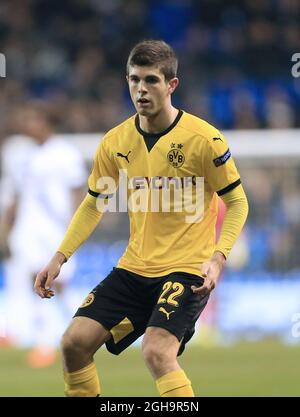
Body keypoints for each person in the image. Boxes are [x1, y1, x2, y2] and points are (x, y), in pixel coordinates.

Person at [34, 40, 248, 396]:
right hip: (134, 269)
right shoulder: (115, 141)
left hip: (187, 268)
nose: (141, 89)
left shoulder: (203, 139)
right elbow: (93, 203)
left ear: (171, 85)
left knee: (156, 352)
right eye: (134, 80)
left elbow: (237, 202)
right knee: (73, 343)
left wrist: (218, 256)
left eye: (151, 80)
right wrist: (59, 257)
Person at [0, 104, 86, 367]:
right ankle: (44, 341)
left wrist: (76, 227)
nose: (28, 125)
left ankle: (85, 328)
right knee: (35, 281)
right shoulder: (24, 155)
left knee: (58, 284)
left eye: (34, 120)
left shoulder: (65, 153)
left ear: (47, 123)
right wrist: (7, 229)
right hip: (30, 228)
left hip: (56, 229)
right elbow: (16, 194)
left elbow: (78, 190)